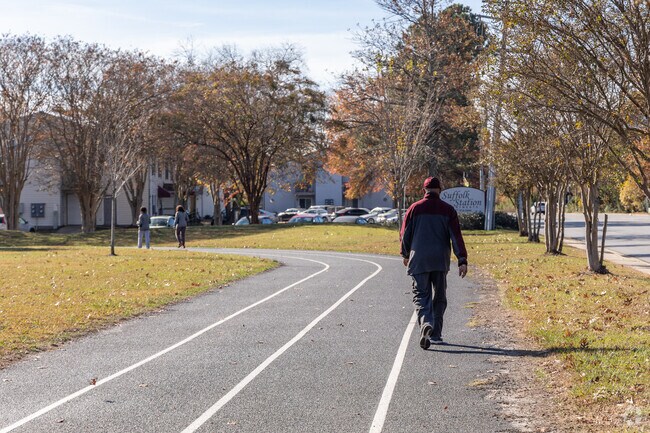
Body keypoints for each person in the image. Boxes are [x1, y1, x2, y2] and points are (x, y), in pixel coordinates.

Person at [400, 177, 468, 350]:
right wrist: (462, 259)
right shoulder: (448, 210)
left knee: (421, 295)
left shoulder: (414, 208)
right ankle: (436, 334)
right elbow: (456, 237)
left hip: (419, 259)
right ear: (440, 190)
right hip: (440, 260)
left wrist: (405, 253)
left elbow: (405, 234)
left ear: (424, 190)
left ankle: (426, 323)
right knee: (439, 297)